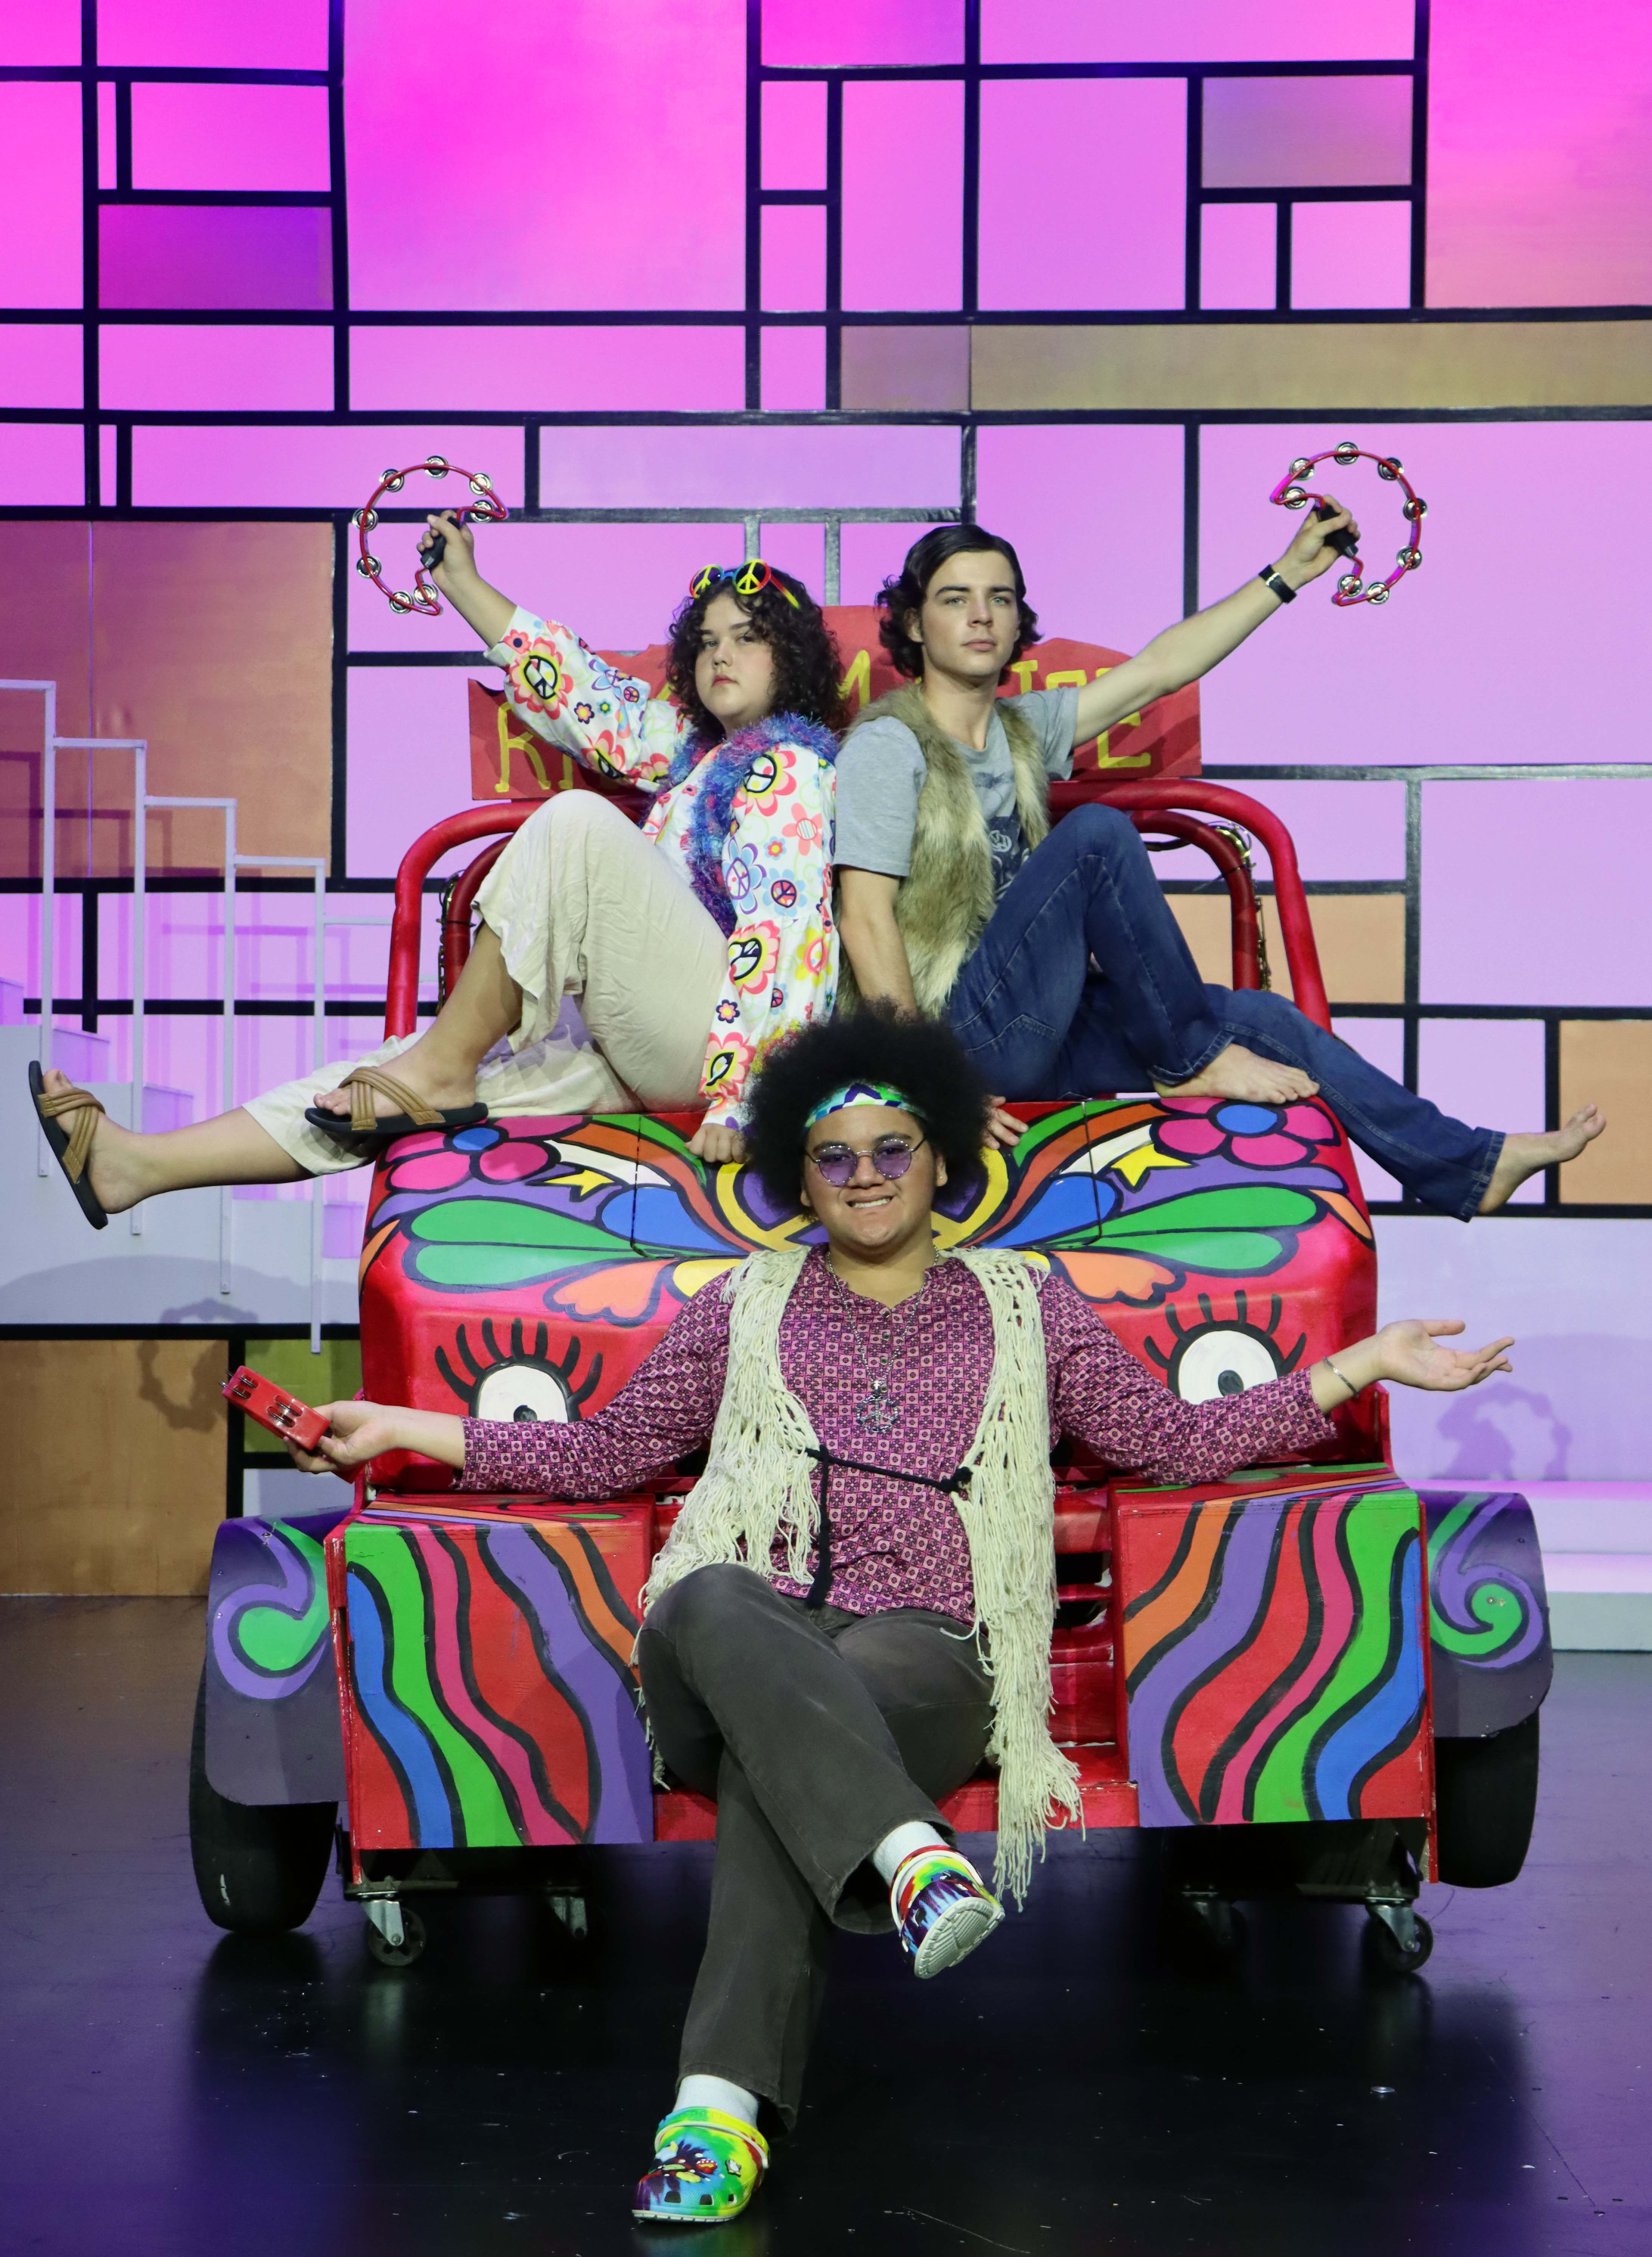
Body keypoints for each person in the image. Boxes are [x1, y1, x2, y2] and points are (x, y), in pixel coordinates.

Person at [281, 1007, 1516, 2226]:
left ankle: (714, 2113)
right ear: (798, 1172)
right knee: (706, 1593)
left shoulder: (1027, 1305)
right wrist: (402, 1426)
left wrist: (1363, 1362)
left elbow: (1172, 1441)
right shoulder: (740, 1303)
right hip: (740, 1640)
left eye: (890, 1148)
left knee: (781, 1770)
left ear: (938, 1158)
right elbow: (600, 1454)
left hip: (923, 1652)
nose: (864, 1174)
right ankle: (908, 1853)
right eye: (834, 1155)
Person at [29, 529, 844, 1228]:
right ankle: (139, 1166)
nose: (719, 654)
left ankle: (441, 1063)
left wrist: (744, 1099)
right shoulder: (691, 755)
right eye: (706, 640)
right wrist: (460, 581)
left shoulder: (792, 768)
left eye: (746, 637)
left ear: (793, 657)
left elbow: (787, 939)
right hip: (641, 1039)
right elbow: (588, 696)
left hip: (717, 1055)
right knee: (380, 1092)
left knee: (577, 824)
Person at [833, 522, 1606, 1219]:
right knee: (1097, 834)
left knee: (1263, 1021)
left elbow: (1159, 670)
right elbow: (864, 919)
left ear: (1017, 621)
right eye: (956, 599)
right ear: (914, 622)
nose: (981, 616)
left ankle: (1468, 1166)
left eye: (999, 598)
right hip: (954, 1042)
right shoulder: (888, 746)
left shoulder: (1024, 730)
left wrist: (1287, 574)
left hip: (1035, 1023)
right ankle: (1190, 1058)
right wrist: (931, 1087)